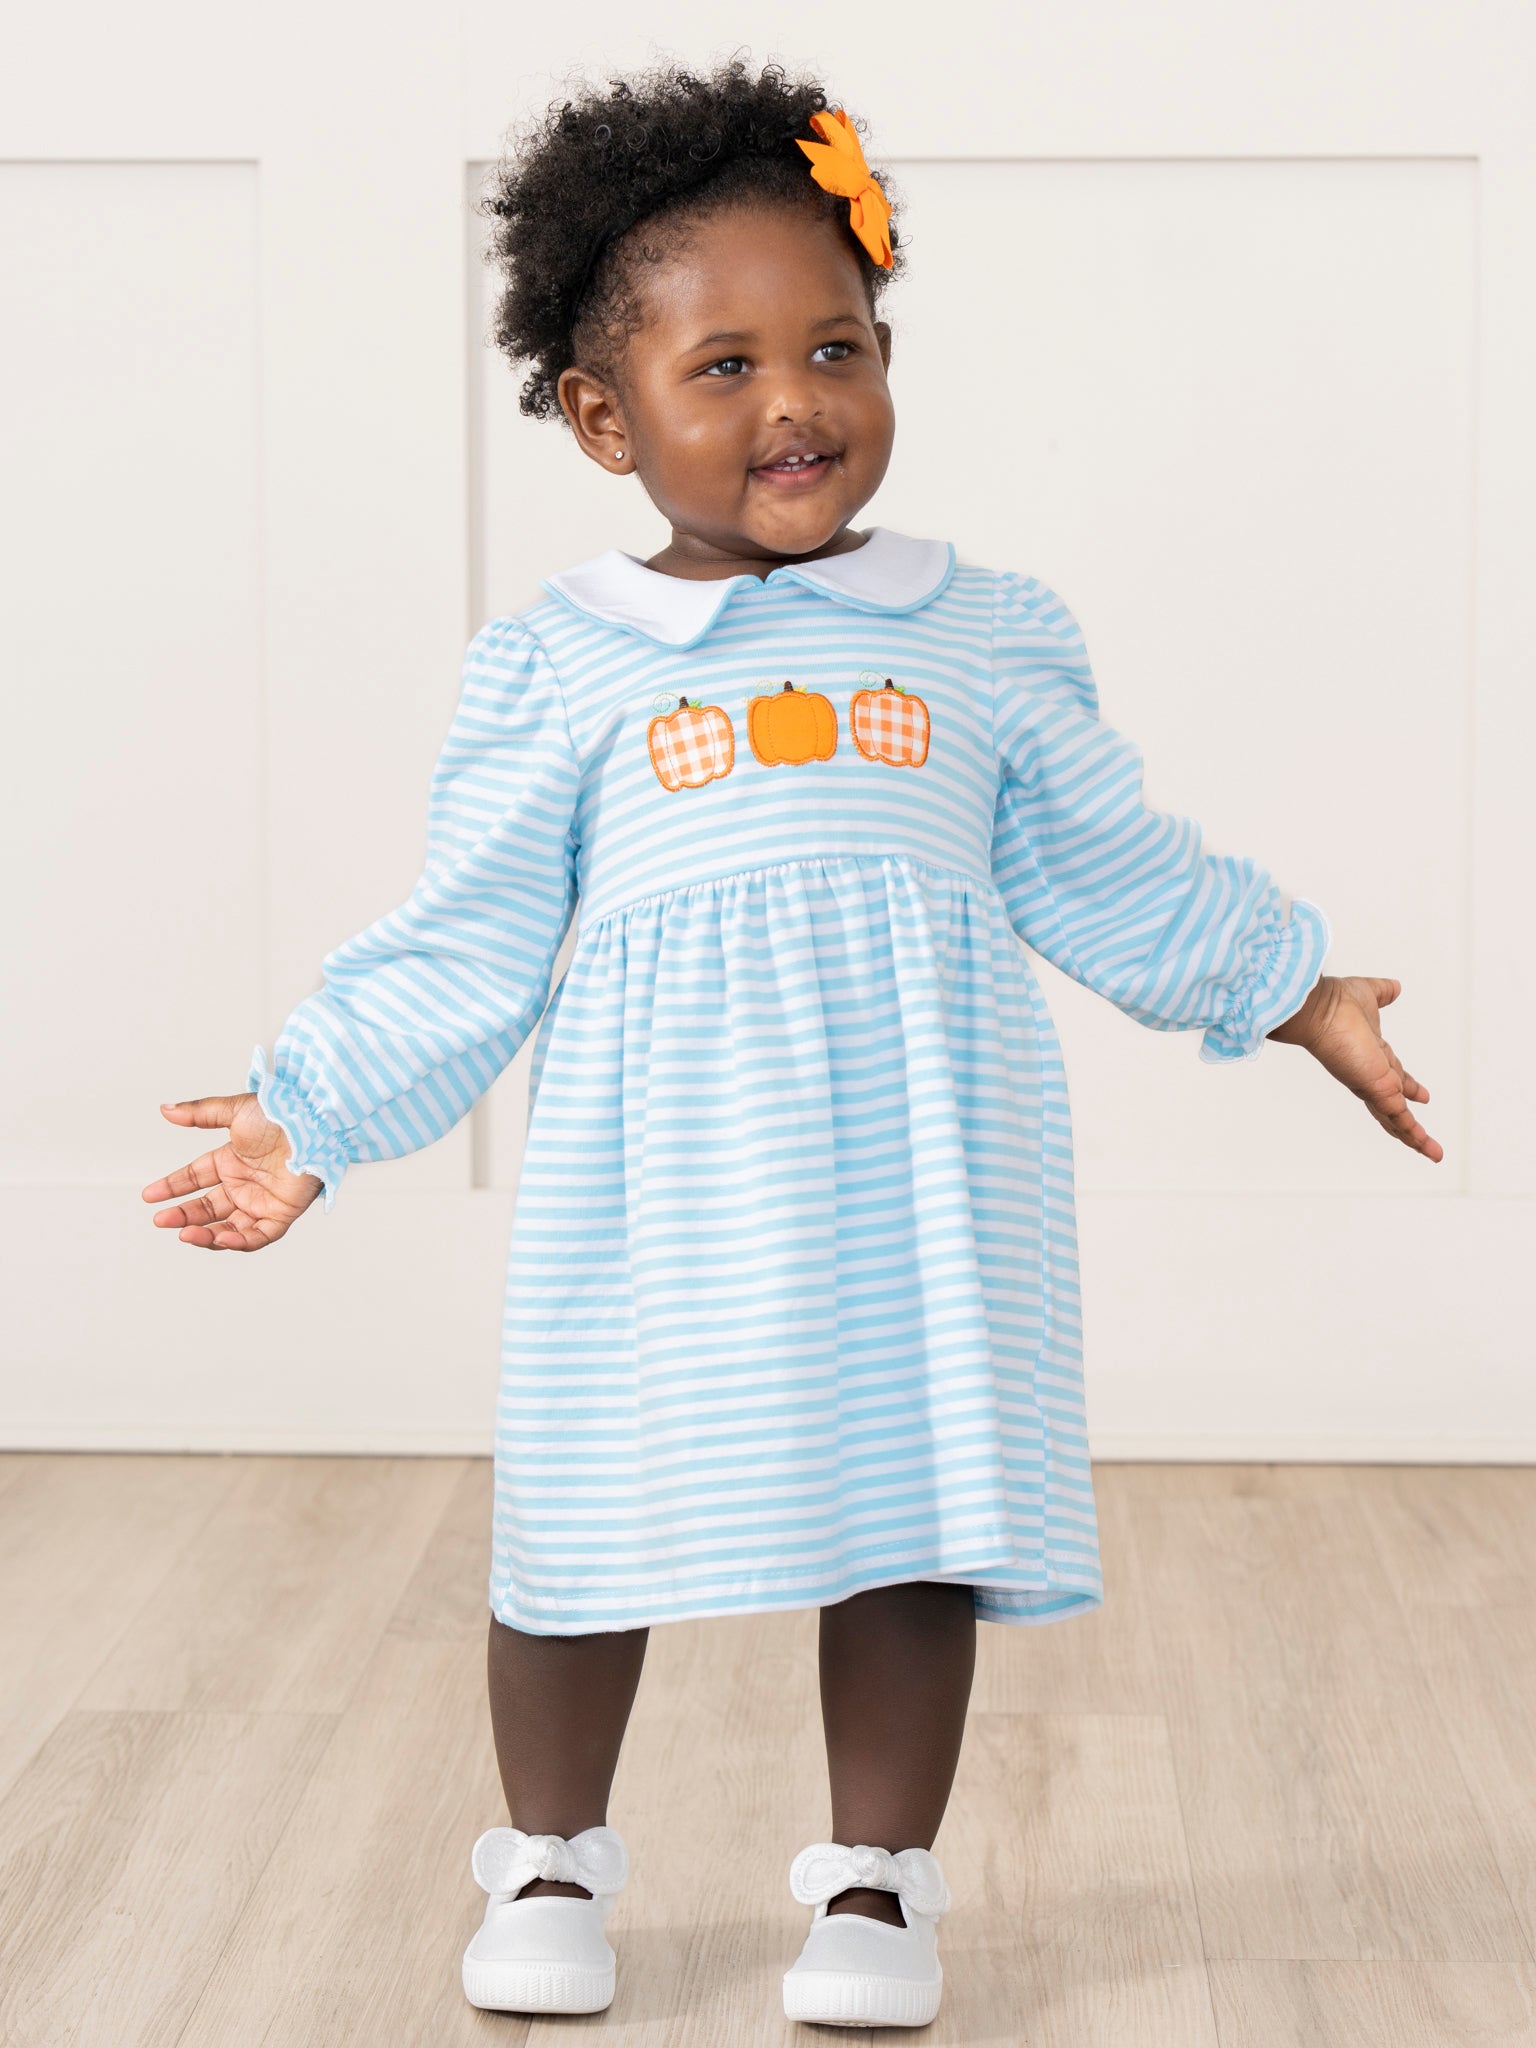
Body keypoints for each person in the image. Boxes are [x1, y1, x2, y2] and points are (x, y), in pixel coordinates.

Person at [139, 55, 1442, 2030]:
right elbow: (471, 934)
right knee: (584, 1519)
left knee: (916, 1522)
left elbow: (1111, 863)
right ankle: (550, 1850)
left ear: (887, 357)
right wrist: (310, 1110)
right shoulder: (561, 662)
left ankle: (877, 1881)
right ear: (604, 414)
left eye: (834, 348)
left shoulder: (981, 633)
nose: (795, 404)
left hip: (929, 1181)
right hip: (660, 1190)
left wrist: (1292, 984)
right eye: (724, 366)